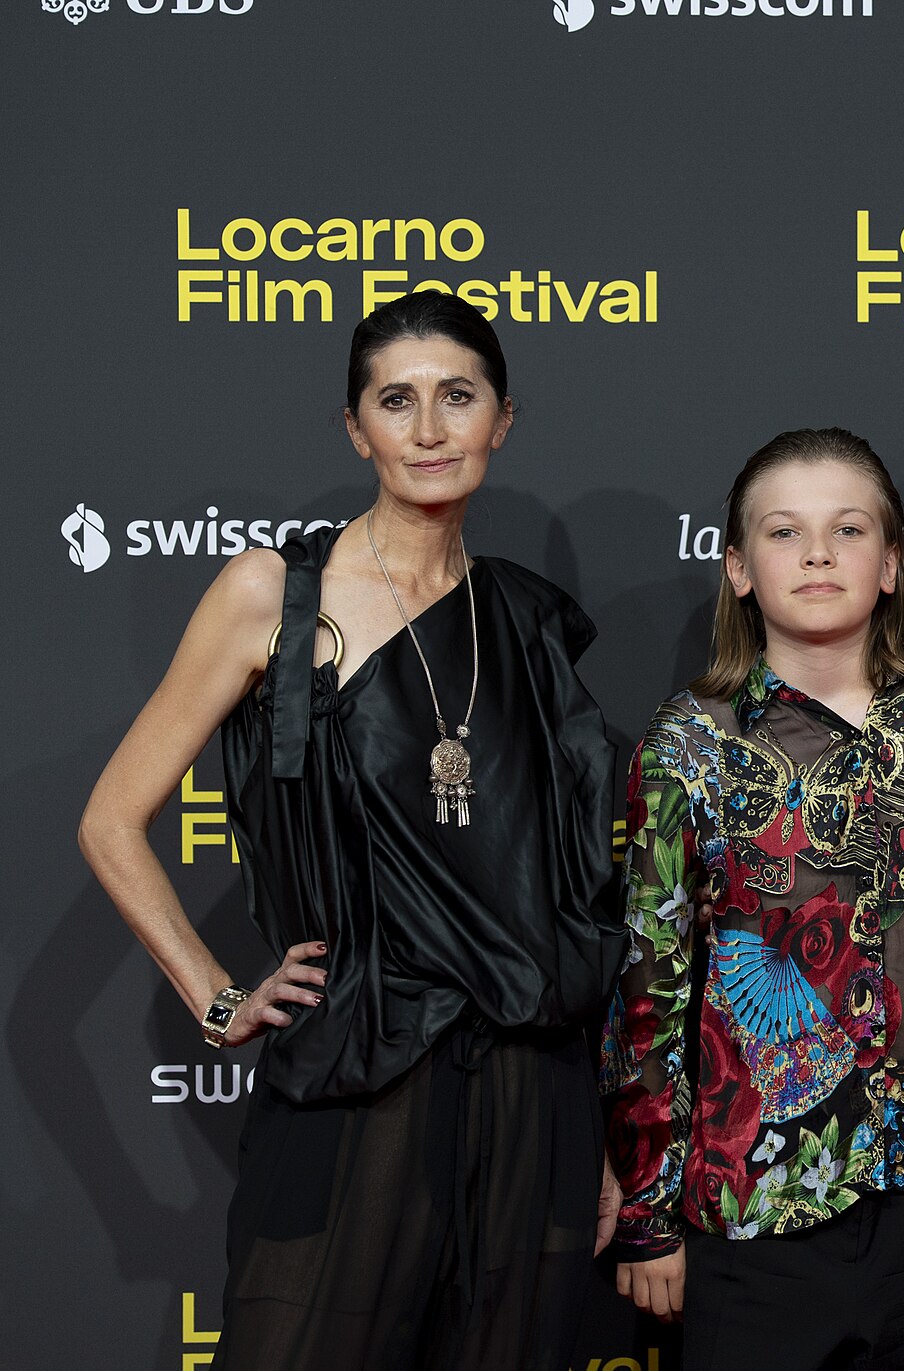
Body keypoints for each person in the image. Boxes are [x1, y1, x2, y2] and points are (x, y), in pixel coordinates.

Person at [77, 290, 629, 1371]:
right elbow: (111, 821)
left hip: (535, 1096)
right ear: (355, 428)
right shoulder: (272, 596)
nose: (429, 429)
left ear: (501, 419)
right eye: (397, 400)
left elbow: (567, 892)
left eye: (457, 397)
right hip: (356, 1071)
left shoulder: (525, 619)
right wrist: (216, 991)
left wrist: (604, 1141)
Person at [603, 428, 904, 1370]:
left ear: (894, 562)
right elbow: (649, 983)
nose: (818, 553)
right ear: (739, 568)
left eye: (848, 527)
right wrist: (651, 1209)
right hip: (757, 1205)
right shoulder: (688, 742)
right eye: (785, 532)